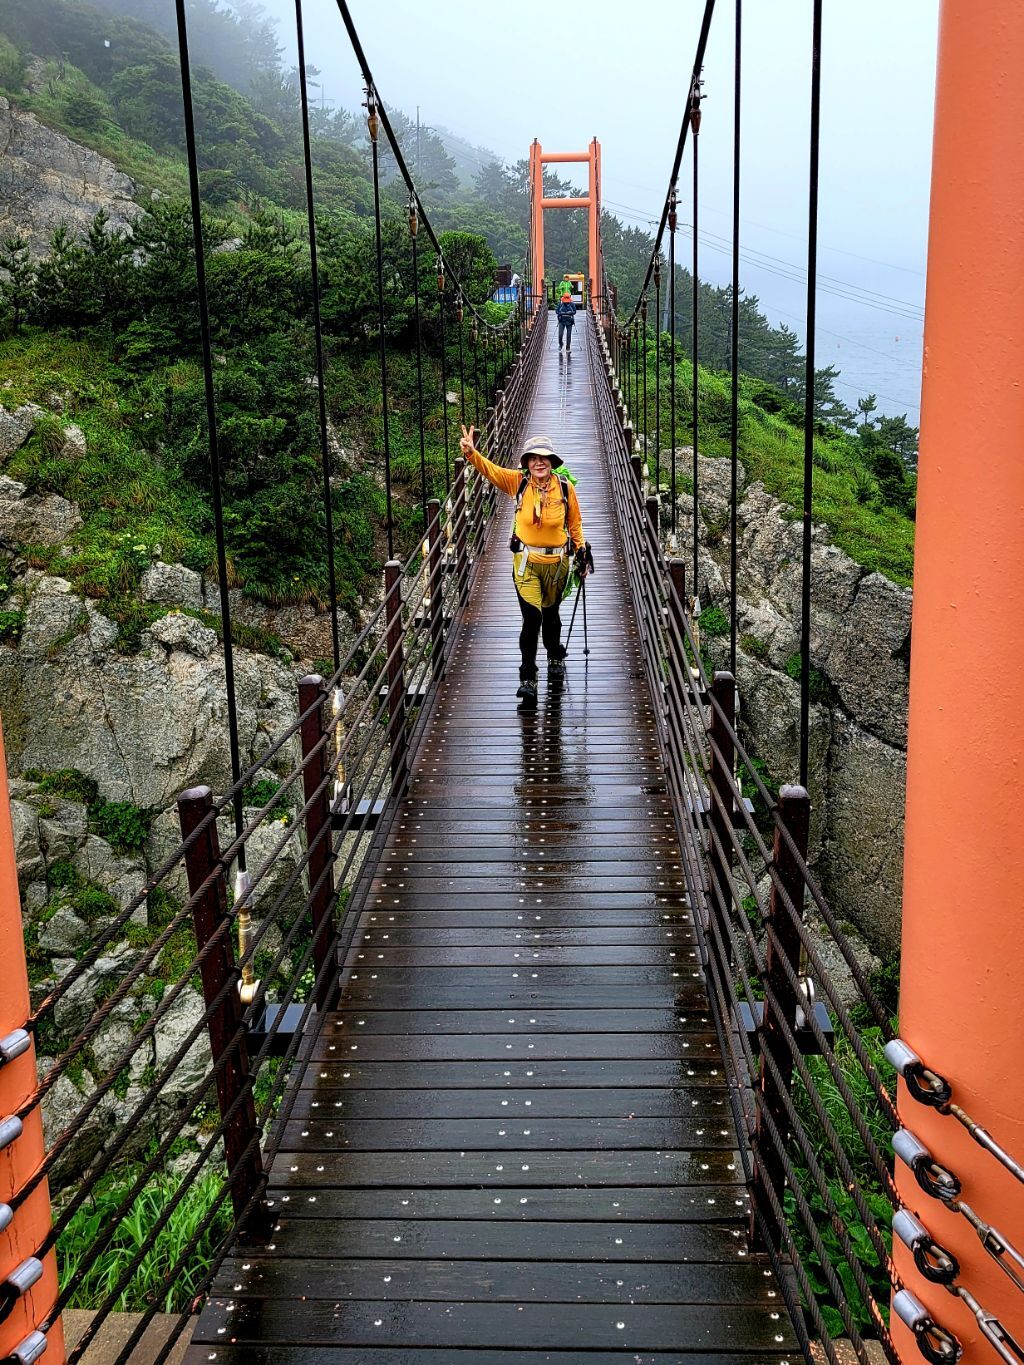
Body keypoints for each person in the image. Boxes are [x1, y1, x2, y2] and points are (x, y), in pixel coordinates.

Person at [459, 424, 591, 710]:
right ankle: (528, 677)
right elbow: (492, 471)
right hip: (526, 563)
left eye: (544, 458)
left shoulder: (564, 488)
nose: (539, 462)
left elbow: (575, 524)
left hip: (557, 563)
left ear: (552, 462)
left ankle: (554, 655)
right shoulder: (518, 483)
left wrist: (582, 551)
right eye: (533, 458)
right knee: (532, 619)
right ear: (527, 462)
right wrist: (472, 453)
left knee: (551, 614)